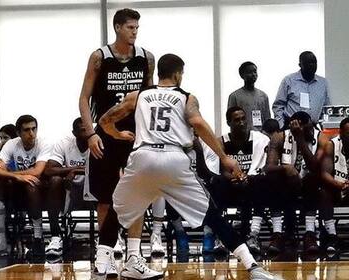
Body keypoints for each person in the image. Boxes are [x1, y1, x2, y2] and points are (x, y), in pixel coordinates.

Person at [99, 53, 282, 280]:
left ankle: (100, 267)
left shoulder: (139, 95)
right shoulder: (186, 98)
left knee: (117, 210)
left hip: (143, 156)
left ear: (160, 73)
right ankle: (253, 267)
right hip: (174, 158)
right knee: (212, 216)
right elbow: (197, 122)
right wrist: (224, 157)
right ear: (178, 74)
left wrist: (118, 134)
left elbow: (105, 120)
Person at [78, 8, 156, 278]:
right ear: (117, 28)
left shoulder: (146, 58)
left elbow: (149, 98)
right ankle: (108, 254)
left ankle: (134, 256)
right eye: (130, 27)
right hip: (105, 135)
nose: (135, 32)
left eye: (137, 27)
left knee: (139, 195)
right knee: (106, 199)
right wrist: (91, 134)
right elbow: (84, 99)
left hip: (135, 137)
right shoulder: (100, 57)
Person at [199, 107, 272, 255]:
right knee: (215, 184)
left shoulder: (259, 140)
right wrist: (234, 177)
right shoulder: (221, 141)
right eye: (237, 120)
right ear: (229, 122)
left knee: (261, 182)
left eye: (244, 119)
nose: (242, 122)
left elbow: (264, 167)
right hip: (230, 186)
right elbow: (222, 171)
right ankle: (221, 237)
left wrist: (246, 178)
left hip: (251, 185)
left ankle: (254, 235)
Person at [0, 115, 51, 256]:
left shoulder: (44, 143)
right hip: (19, 186)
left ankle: (38, 236)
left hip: (42, 187)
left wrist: (14, 173)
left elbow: (37, 172)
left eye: (34, 129)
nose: (31, 133)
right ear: (18, 133)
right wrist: (15, 176)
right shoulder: (12, 144)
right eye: (27, 130)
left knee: (31, 182)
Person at [264, 111, 328, 254]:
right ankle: (278, 234)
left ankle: (310, 234)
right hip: (286, 184)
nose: (310, 131)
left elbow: (315, 167)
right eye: (306, 129)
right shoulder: (279, 137)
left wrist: (300, 139)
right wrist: (286, 168)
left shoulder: (322, 138)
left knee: (314, 177)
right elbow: (268, 168)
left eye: (311, 128)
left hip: (309, 184)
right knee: (273, 179)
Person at [42, 117, 88, 257]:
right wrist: (73, 170)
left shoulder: (97, 142)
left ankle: (107, 238)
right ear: (74, 133)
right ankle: (56, 237)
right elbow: (48, 170)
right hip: (69, 189)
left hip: (92, 189)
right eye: (82, 130)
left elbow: (105, 170)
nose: (86, 133)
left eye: (88, 129)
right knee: (55, 180)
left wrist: (74, 171)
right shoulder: (64, 143)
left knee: (107, 179)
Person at [272, 51, 330, 129]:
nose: (312, 65)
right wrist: (281, 126)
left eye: (314, 62)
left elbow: (326, 108)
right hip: (291, 127)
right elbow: (278, 106)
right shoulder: (289, 80)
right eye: (308, 63)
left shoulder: (323, 83)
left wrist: (324, 127)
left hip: (312, 128)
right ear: (300, 65)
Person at [320, 117, 349, 253]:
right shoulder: (331, 145)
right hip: (337, 188)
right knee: (323, 192)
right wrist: (339, 184)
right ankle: (332, 235)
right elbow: (324, 173)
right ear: (341, 133)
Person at [228, 62, 271, 131]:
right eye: (249, 72)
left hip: (260, 136)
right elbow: (231, 119)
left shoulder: (263, 96)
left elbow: (267, 119)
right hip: (242, 136)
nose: (253, 75)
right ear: (242, 75)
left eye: (255, 72)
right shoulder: (235, 96)